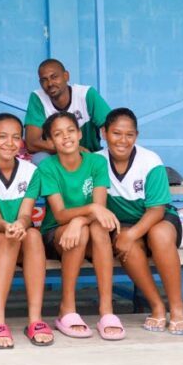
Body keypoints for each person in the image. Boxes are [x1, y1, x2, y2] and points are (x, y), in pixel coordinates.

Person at [99, 108, 183, 336]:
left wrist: (131, 233)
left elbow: (157, 209)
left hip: (158, 218)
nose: (122, 140)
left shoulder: (150, 161)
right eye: (116, 133)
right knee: (126, 243)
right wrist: (127, 235)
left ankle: (178, 309)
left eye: (129, 134)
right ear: (104, 133)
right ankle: (157, 306)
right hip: (124, 223)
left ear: (136, 136)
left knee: (157, 235)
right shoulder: (96, 162)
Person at [0, 113, 52, 349]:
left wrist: (20, 225)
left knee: (33, 234)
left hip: (20, 235)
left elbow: (26, 215)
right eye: (2, 136)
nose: (9, 142)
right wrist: (9, 227)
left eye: (16, 137)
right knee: (7, 239)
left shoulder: (31, 171)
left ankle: (35, 319)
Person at [38, 111, 124, 341]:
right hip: (56, 235)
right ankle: (67, 307)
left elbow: (100, 208)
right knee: (85, 229)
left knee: (94, 227)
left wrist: (79, 219)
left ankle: (106, 310)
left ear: (79, 134)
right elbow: (59, 214)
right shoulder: (47, 168)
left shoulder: (97, 162)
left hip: (89, 230)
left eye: (70, 131)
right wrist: (85, 214)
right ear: (50, 141)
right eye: (57, 134)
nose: (65, 137)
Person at [25, 59, 111, 158]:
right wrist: (72, 148)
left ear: (66, 76)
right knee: (39, 158)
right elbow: (31, 143)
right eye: (44, 80)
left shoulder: (86, 94)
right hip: (57, 157)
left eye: (54, 77)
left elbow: (112, 128)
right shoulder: (38, 98)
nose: (50, 84)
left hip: (89, 155)